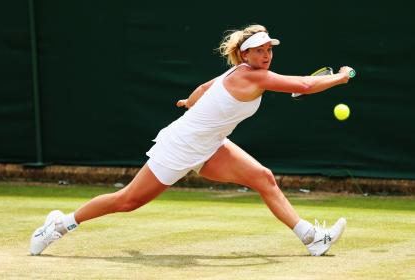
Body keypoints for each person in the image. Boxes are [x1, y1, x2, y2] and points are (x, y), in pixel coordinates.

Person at [30, 24, 353, 257]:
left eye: (269, 49)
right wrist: (340, 77)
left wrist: (189, 103)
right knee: (128, 201)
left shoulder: (235, 74)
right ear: (245, 54)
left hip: (211, 145)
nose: (266, 55)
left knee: (263, 178)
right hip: (182, 145)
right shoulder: (250, 75)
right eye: (259, 50)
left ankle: (312, 238)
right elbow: (304, 85)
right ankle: (59, 225)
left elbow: (202, 88)